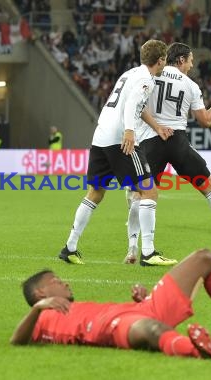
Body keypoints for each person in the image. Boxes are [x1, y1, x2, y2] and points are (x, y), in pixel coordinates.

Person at [10, 247, 211, 359]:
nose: (65, 283)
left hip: (140, 310)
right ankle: (195, 350)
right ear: (39, 294)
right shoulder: (43, 318)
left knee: (205, 258)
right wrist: (36, 310)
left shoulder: (75, 307)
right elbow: (16, 341)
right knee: (150, 330)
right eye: (56, 281)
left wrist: (141, 300)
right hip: (115, 328)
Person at [124, 43, 211, 264]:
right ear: (180, 60)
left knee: (139, 195)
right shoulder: (190, 85)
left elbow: (136, 107)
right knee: (208, 187)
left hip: (151, 141)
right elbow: (206, 120)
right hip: (178, 143)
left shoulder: (149, 76)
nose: (191, 65)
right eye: (189, 60)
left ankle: (133, 248)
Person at [58, 40, 176, 267]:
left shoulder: (130, 73)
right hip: (121, 139)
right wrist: (130, 132)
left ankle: (69, 248)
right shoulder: (146, 80)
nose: (164, 65)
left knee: (95, 193)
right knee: (149, 191)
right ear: (160, 60)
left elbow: (134, 106)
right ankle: (149, 254)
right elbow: (132, 104)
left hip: (101, 135)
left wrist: (157, 127)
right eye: (164, 61)